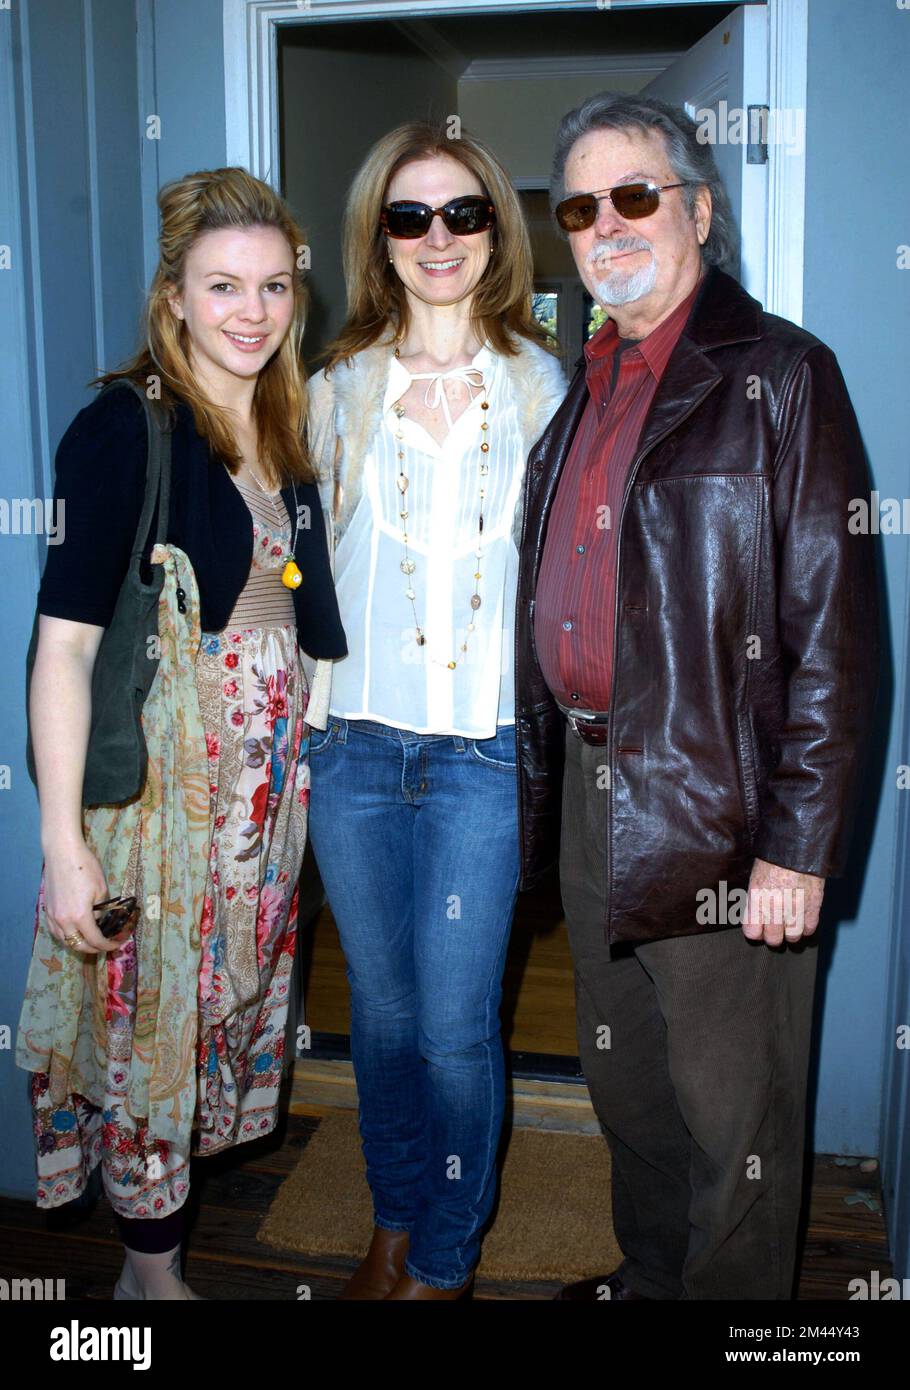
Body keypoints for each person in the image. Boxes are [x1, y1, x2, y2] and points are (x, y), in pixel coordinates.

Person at [514, 92, 879, 1301]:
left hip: (720, 805)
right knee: (631, 1091)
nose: (606, 225)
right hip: (589, 788)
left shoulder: (781, 376)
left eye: (635, 196)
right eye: (580, 205)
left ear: (700, 210)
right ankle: (651, 1279)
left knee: (740, 1123)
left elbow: (835, 633)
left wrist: (797, 847)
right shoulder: (584, 388)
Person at [16, 167, 346, 1299]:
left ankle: (159, 1254)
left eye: (271, 287)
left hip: (264, 806)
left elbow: (296, 606)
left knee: (216, 1019)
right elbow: (62, 646)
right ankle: (147, 1280)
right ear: (174, 297)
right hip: (164, 805)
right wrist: (65, 846)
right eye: (222, 287)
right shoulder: (125, 426)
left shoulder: (285, 425)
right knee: (149, 1022)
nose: (251, 312)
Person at [305, 121, 565, 1300]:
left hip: (484, 759)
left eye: (462, 212)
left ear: (493, 229)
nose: (438, 238)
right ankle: (395, 1219)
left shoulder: (546, 385)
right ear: (380, 238)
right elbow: (286, 569)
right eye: (409, 217)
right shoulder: (332, 388)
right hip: (352, 751)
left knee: (458, 1028)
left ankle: (447, 1260)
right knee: (383, 1017)